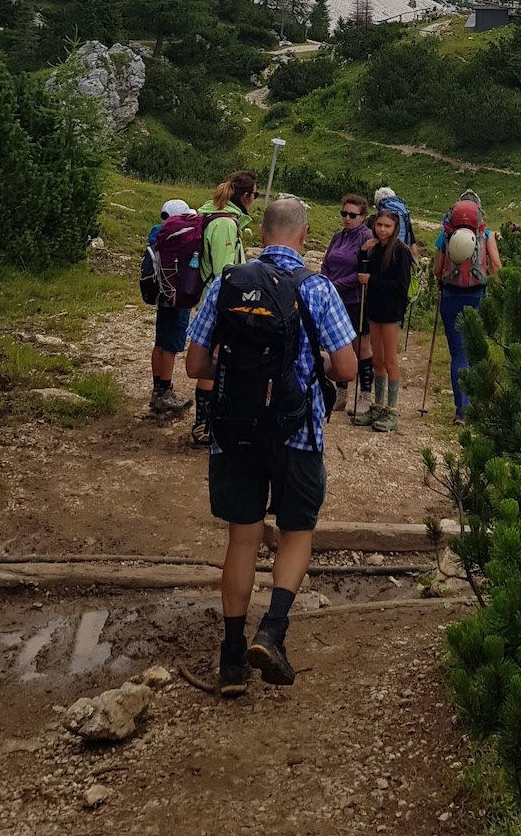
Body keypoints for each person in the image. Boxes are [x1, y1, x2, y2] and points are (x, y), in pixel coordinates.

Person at [185, 195, 357, 697]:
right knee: (297, 529)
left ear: (260, 234)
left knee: (242, 537)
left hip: (235, 429)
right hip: (296, 432)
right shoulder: (318, 289)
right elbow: (346, 369)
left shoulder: (226, 284)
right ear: (303, 237)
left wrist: (240, 375)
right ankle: (273, 631)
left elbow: (195, 366)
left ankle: (232, 657)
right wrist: (311, 368)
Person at [190, 170, 258, 449]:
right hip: (219, 304)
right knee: (213, 362)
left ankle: (210, 422)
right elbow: (223, 271)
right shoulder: (225, 224)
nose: (254, 200)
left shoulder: (215, 215)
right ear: (244, 196)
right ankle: (203, 426)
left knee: (217, 361)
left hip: (213, 300)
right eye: (254, 195)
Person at [433, 189, 501, 421]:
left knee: (458, 354)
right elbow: (496, 266)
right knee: (474, 351)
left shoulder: (445, 235)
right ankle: (476, 405)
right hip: (477, 296)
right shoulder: (487, 235)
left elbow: (436, 270)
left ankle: (461, 411)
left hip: (451, 297)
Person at [355, 201, 413, 431]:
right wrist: (362, 253)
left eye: (387, 226)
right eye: (379, 224)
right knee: (377, 358)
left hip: (390, 311)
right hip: (376, 308)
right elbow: (362, 272)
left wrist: (372, 282)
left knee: (390, 359)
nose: (382, 229)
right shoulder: (376, 248)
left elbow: (401, 286)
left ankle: (392, 410)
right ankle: (378, 406)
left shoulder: (399, 251)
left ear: (395, 227)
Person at [140, 197, 196, 416]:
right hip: (177, 296)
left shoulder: (158, 235)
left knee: (161, 342)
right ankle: (166, 393)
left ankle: (157, 390)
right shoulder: (178, 238)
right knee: (171, 346)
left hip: (162, 295)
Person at [320, 191, 373, 409]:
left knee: (361, 347)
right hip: (336, 300)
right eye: (344, 214)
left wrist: (332, 285)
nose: (347, 218)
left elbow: (361, 273)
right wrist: (323, 280)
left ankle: (365, 394)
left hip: (357, 299)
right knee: (339, 346)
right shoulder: (338, 236)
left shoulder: (367, 238)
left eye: (352, 215)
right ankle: (341, 393)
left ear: (363, 216)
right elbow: (327, 261)